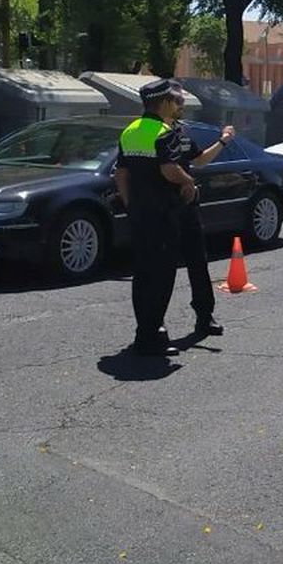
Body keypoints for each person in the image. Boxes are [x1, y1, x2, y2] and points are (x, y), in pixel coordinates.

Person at [113, 79, 237, 356]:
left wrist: (223, 141)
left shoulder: (145, 130)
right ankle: (153, 331)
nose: (181, 104)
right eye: (178, 100)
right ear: (165, 103)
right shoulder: (161, 132)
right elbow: (170, 170)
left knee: (182, 264)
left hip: (159, 211)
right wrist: (188, 181)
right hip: (168, 209)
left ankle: (198, 317)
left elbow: (199, 159)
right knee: (161, 273)